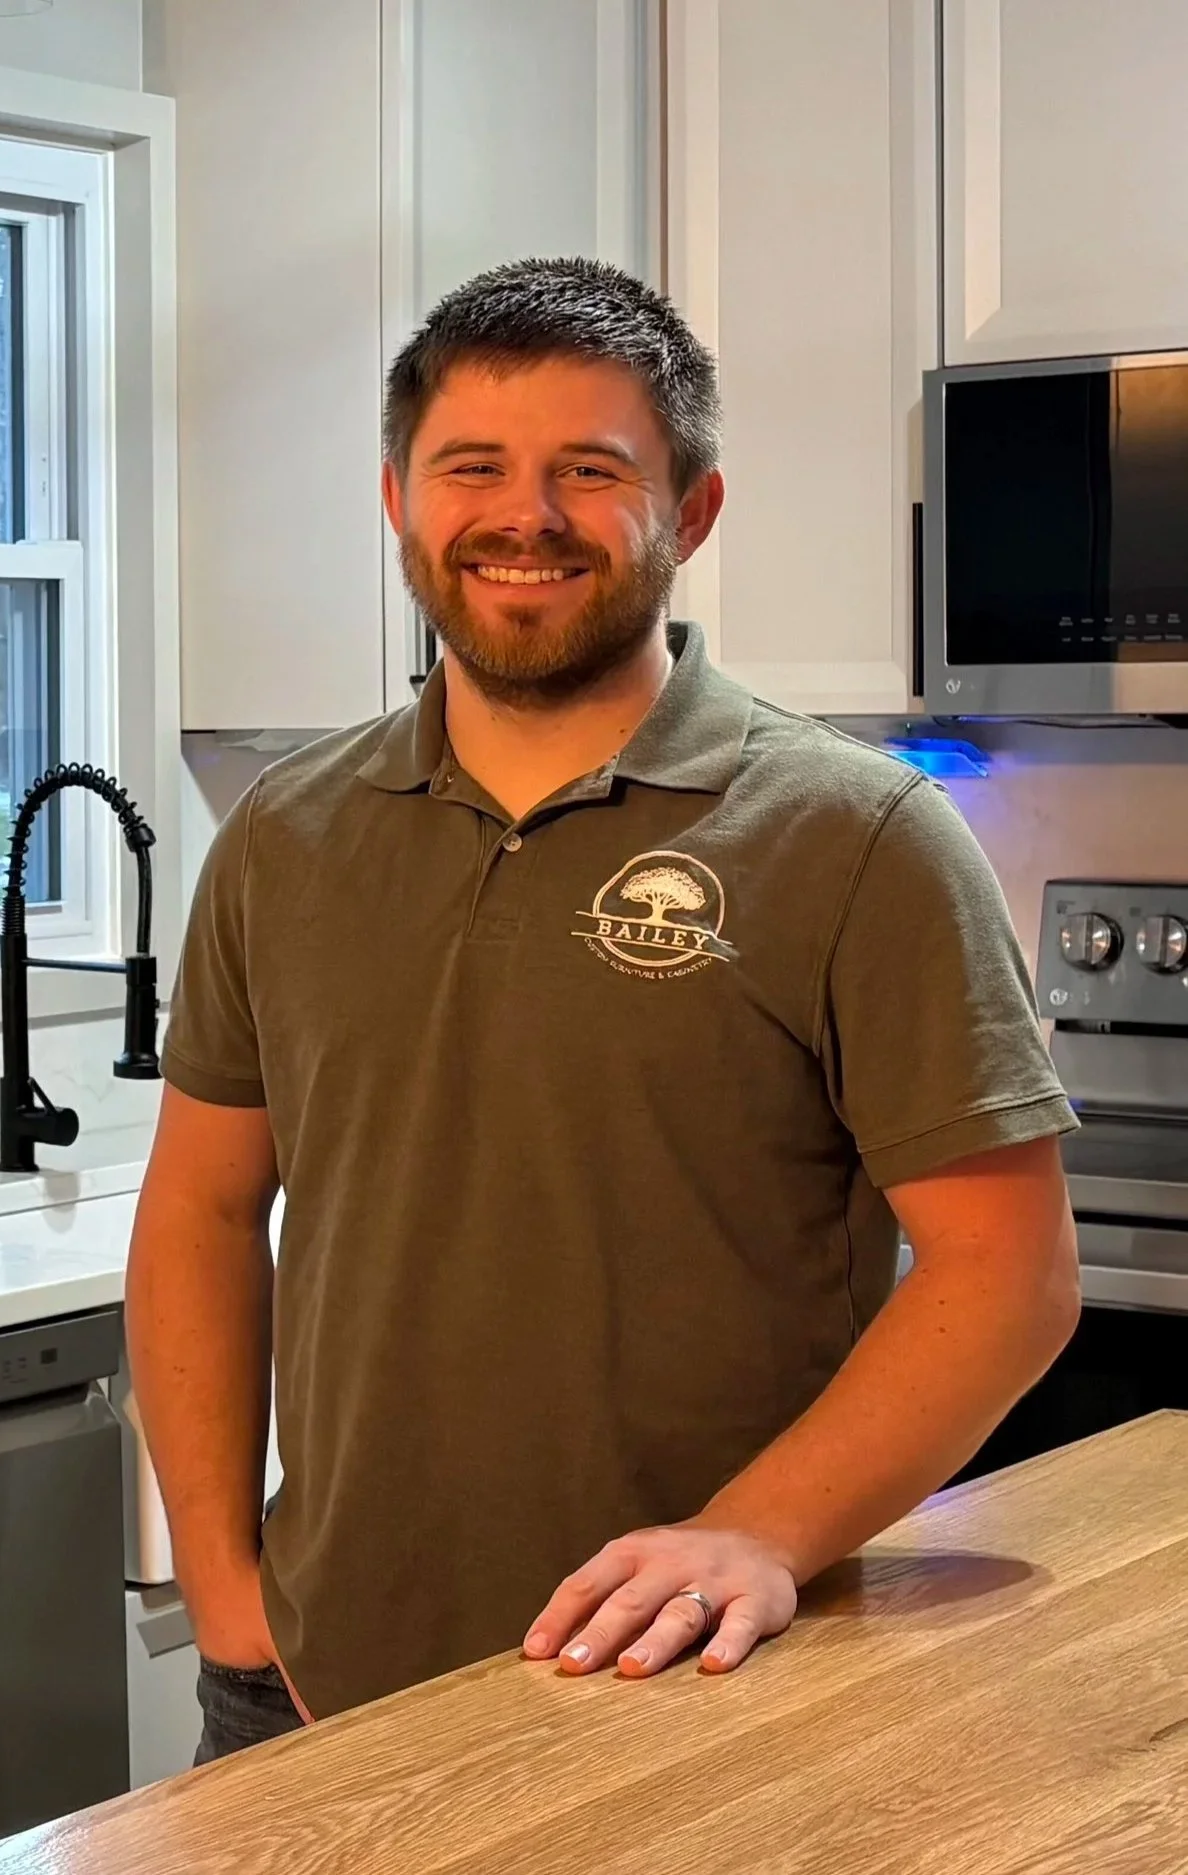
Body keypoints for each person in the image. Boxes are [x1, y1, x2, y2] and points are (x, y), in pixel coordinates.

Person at [129, 257, 1081, 1763]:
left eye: (590, 469)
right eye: (472, 468)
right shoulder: (285, 833)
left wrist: (756, 1533)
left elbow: (1009, 1275)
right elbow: (200, 1208)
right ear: (398, 501)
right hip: (309, 1674)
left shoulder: (860, 837)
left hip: (698, 1678)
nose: (526, 516)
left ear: (692, 511)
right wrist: (224, 1584)